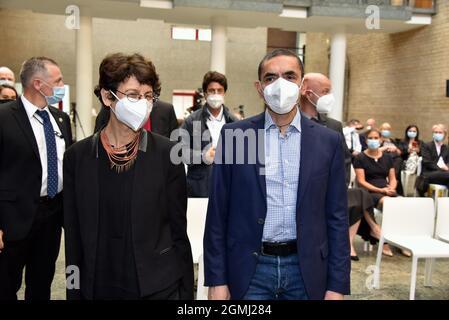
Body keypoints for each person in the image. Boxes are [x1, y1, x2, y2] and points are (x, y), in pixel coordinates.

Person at [204, 49, 350, 300]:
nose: (280, 85)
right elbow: (218, 212)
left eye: (290, 76)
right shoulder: (236, 136)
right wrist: (217, 279)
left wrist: (337, 286)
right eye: (271, 78)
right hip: (250, 270)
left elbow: (336, 217)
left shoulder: (328, 141)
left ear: (302, 85)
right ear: (259, 88)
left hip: (307, 271)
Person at [63, 53, 193, 300]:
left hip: (156, 285)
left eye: (148, 96)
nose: (142, 104)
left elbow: (178, 232)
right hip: (98, 284)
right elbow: (73, 237)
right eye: (133, 95)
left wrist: (185, 293)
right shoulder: (77, 158)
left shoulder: (168, 153)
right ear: (106, 96)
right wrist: (73, 291)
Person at [0, 57, 73, 300]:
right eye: (58, 81)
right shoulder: (4, 117)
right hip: (12, 219)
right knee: (6, 286)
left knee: (41, 285)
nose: (63, 85)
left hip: (52, 216)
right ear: (39, 84)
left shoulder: (61, 119)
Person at [180, 71, 239, 197]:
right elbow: (180, 151)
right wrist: (203, 156)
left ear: (224, 93)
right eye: (212, 91)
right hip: (199, 189)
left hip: (228, 186)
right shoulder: (192, 121)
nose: (216, 94)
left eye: (219, 90)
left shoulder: (234, 122)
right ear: (205, 94)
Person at [299, 72, 352, 185]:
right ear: (308, 94)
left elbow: (344, 161)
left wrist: (342, 188)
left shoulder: (334, 126)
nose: (329, 97)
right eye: (325, 91)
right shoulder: (289, 123)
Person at [353, 129, 399, 257]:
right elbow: (361, 181)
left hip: (386, 189)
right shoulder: (360, 158)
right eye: (371, 138)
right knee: (387, 203)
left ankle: (400, 239)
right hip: (369, 192)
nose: (374, 140)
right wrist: (381, 190)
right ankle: (384, 242)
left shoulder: (387, 157)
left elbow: (393, 178)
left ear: (380, 139)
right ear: (366, 140)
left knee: (402, 205)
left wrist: (392, 188)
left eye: (376, 138)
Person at [94, 97, 179, 139]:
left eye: (148, 94)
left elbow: (176, 144)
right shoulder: (111, 110)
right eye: (133, 94)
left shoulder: (165, 110)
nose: (142, 99)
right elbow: (97, 142)